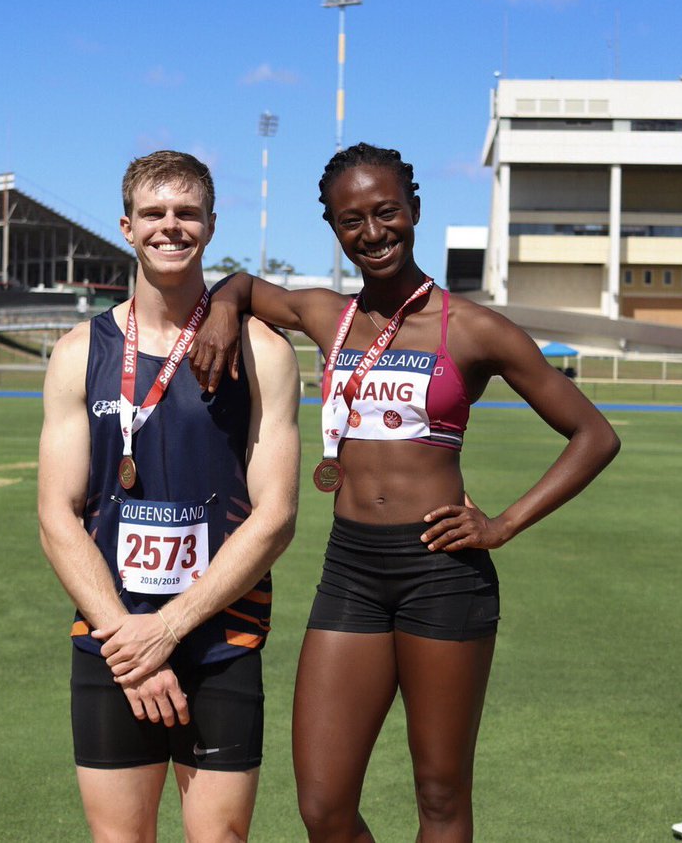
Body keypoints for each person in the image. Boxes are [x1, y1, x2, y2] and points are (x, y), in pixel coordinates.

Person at [189, 143, 620, 842]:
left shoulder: (473, 328)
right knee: (323, 805)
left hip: (442, 571)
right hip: (351, 569)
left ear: (413, 211)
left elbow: (594, 435)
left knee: (441, 796)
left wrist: (503, 524)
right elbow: (239, 284)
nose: (372, 232)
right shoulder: (329, 316)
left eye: (386, 212)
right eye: (351, 219)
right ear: (334, 229)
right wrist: (221, 309)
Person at [38, 150, 300, 841]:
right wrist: (131, 637)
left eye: (186, 213)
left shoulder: (262, 351)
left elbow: (275, 518)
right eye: (154, 213)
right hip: (112, 637)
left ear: (211, 225)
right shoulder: (76, 352)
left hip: (220, 638)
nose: (170, 226)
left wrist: (170, 627)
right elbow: (55, 514)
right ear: (127, 226)